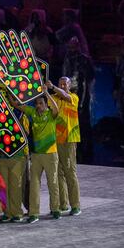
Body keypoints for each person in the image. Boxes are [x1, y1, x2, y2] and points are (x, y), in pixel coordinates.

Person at [11, 89, 60, 223]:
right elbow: (16, 105)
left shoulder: (51, 114)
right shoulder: (32, 112)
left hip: (51, 154)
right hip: (37, 155)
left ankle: (55, 209)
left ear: (46, 104)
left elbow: (56, 108)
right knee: (34, 185)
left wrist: (47, 93)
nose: (38, 105)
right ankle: (34, 213)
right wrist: (8, 90)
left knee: (53, 183)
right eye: (37, 103)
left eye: (40, 103)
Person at [48, 78, 81, 216]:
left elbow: (65, 96)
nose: (62, 86)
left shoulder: (73, 97)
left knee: (70, 172)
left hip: (69, 139)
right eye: (60, 83)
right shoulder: (54, 97)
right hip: (55, 139)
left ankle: (76, 205)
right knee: (58, 173)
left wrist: (53, 86)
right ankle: (63, 204)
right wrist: (46, 92)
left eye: (64, 84)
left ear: (69, 85)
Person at [61, 36, 95, 161]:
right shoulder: (67, 59)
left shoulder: (84, 60)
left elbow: (88, 81)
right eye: (69, 47)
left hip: (81, 94)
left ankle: (85, 149)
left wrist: (84, 98)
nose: (71, 49)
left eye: (73, 47)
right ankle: (74, 147)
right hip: (69, 95)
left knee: (83, 121)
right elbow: (64, 77)